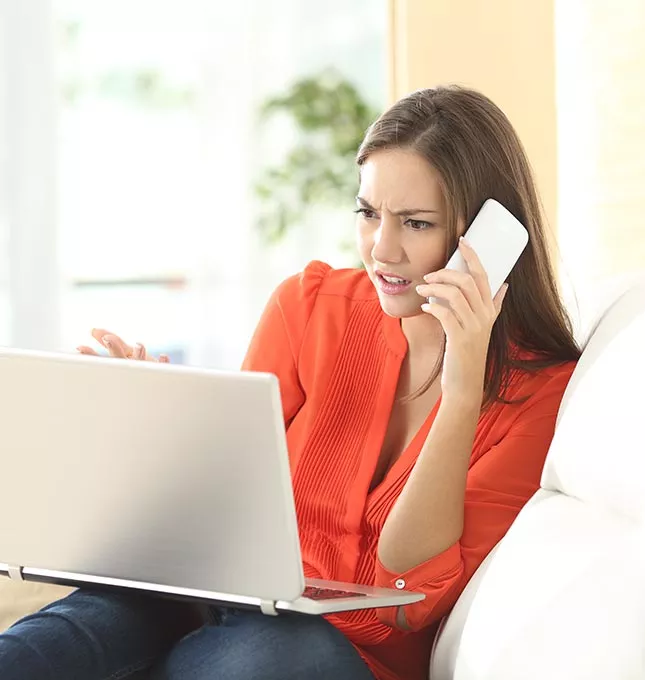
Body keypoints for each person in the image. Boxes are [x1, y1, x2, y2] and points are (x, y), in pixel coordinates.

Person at [0, 85, 581, 680]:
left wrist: (461, 393)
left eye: (416, 223)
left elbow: (410, 593)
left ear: (489, 237)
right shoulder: (311, 306)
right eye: (368, 213)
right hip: (211, 600)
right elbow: (218, 500)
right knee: (48, 646)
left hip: (326, 653)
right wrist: (159, 424)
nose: (382, 249)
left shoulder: (539, 395)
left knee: (282, 658)